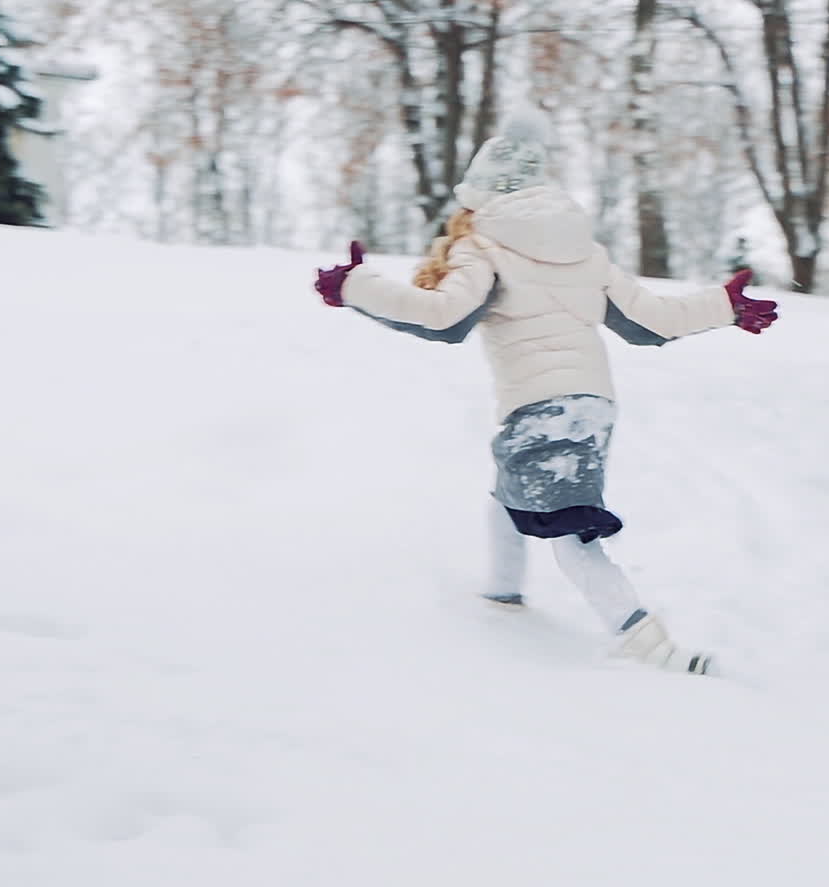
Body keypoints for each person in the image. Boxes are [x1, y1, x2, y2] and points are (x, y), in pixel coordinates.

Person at [313, 113, 777, 674]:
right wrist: (723, 306)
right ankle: (502, 595)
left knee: (571, 533)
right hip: (592, 406)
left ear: (480, 193)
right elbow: (650, 319)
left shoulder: (482, 247)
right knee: (508, 496)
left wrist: (356, 287)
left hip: (539, 408)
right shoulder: (584, 252)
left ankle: (646, 642)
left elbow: (442, 316)